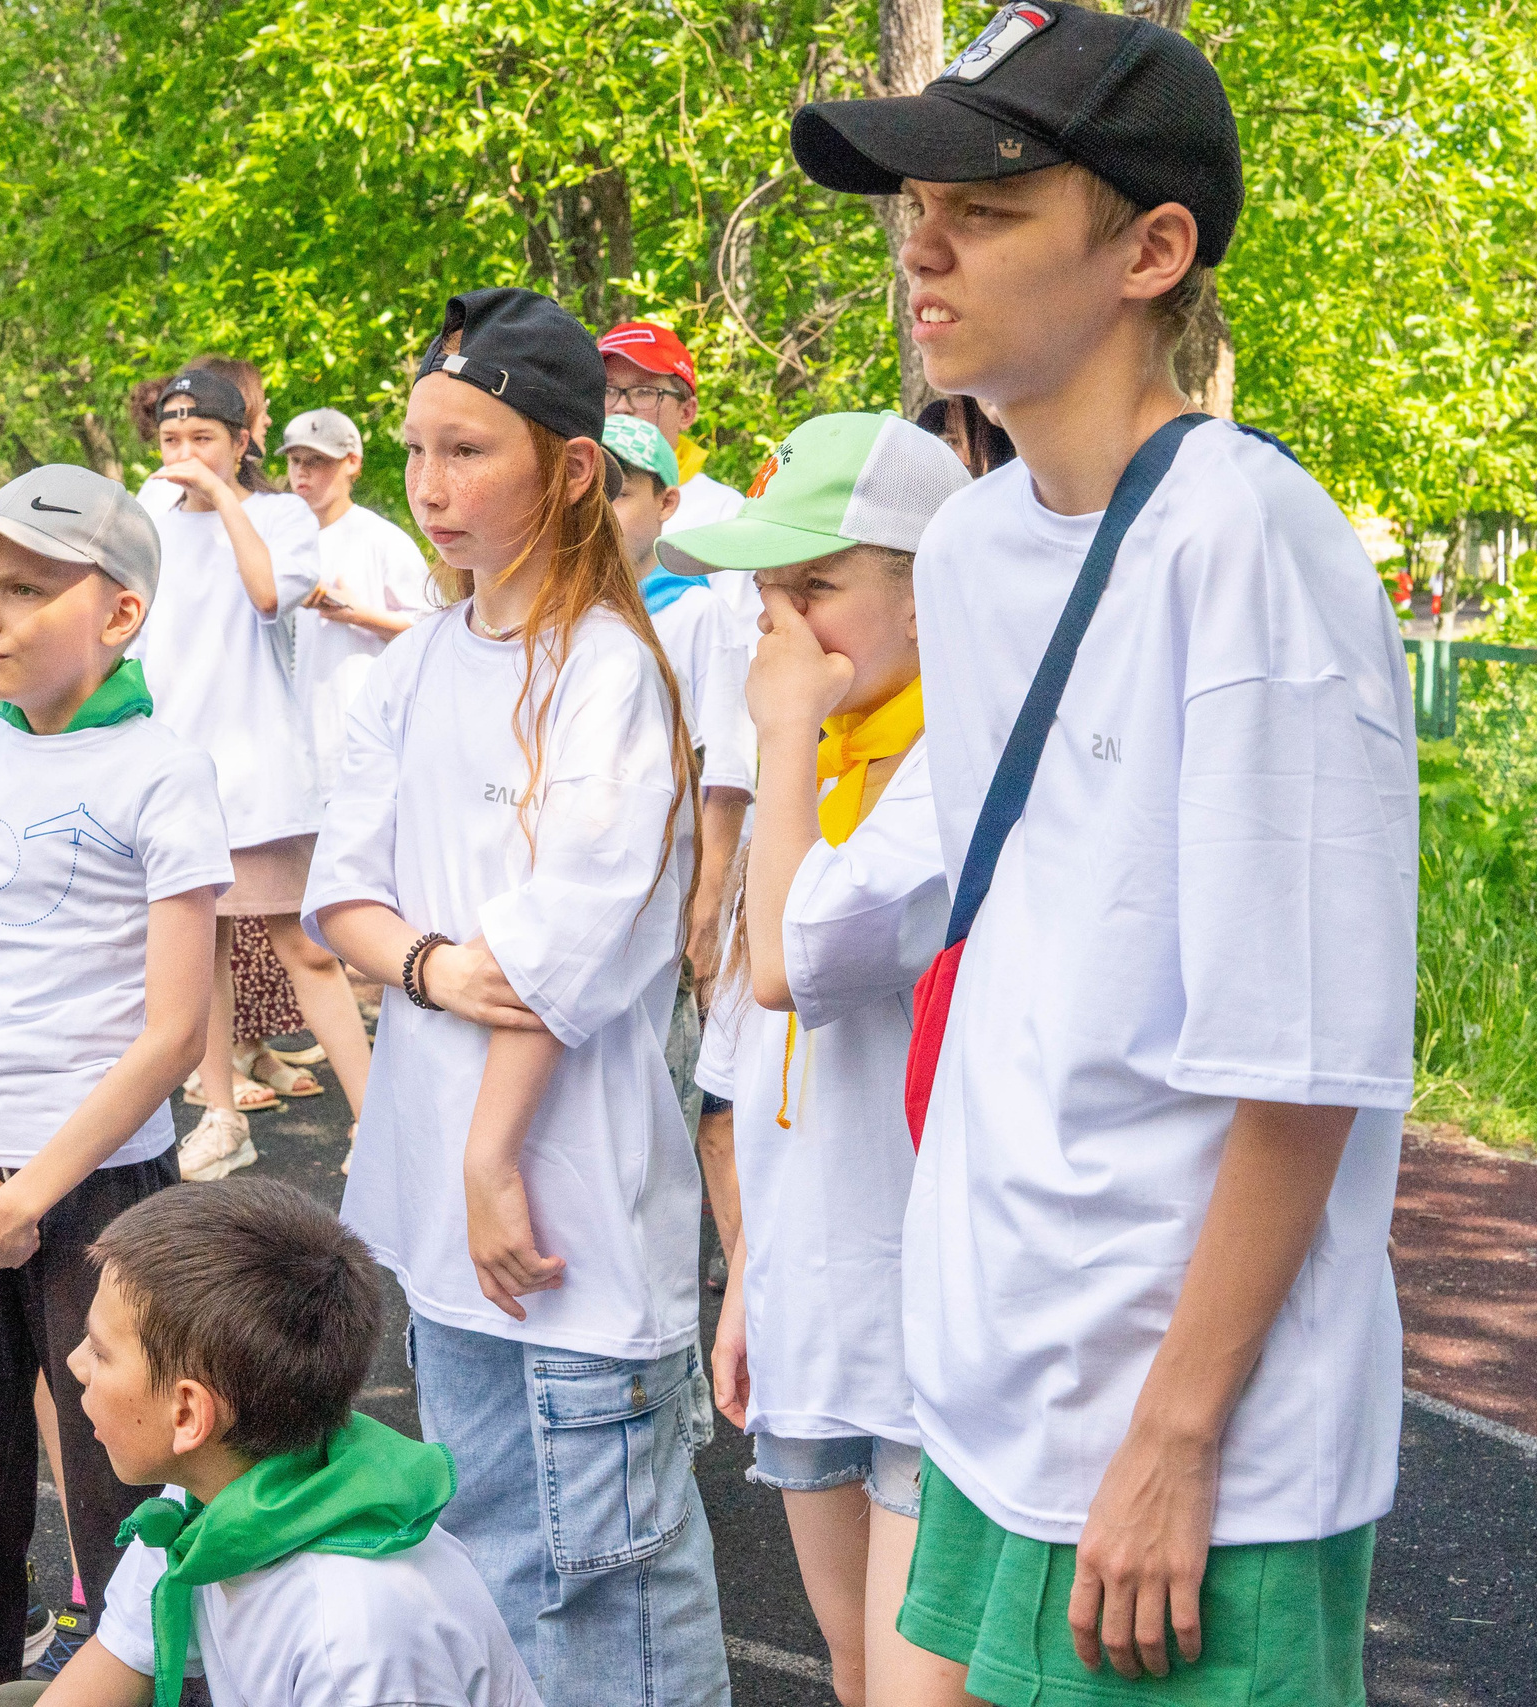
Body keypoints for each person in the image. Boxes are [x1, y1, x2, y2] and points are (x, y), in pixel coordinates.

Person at [791, 7, 1418, 1703]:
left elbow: (1302, 1057)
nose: (924, 242)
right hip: (1007, 1384)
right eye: (919, 206)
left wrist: (1178, 1432)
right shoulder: (984, 545)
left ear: (1152, 249)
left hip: (1187, 1435)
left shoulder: (1250, 549)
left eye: (987, 207)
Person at [307, 287, 730, 1707]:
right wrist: (433, 962)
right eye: (416, 449)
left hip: (565, 1222)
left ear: (565, 466)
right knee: (491, 1566)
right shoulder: (414, 663)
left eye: (467, 450)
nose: (431, 486)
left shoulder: (613, 675)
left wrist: (494, 1155)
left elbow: (566, 944)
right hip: (442, 1220)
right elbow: (345, 896)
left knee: (605, 1593)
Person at [0, 462, 227, 1707]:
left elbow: (172, 1035)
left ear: (118, 613)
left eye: (24, 590)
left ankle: (139, 1678)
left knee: (125, 1466)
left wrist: (34, 1196)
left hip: (106, 1190)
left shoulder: (163, 773)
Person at [666, 411, 972, 1707]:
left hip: (929, 1323)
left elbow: (798, 958)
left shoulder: (952, 766)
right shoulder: (824, 766)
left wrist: (782, 734)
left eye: (818, 585)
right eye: (768, 589)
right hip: (817, 1301)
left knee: (925, 1687)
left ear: (928, 589)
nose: (781, 625)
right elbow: (744, 1065)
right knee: (853, 1667)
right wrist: (748, 1278)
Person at [0, 1178, 542, 1707]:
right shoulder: (207, 1494)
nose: (73, 1364)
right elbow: (114, 1665)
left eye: (100, 1351)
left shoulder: (355, 1632)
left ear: (189, 1412)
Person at [130, 369, 371, 1181]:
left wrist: (222, 496)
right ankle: (222, 1115)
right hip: (172, 775)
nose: (185, 455)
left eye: (204, 439)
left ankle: (374, 1119)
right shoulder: (145, 520)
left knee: (302, 947)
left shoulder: (277, 514)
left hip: (260, 777)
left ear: (241, 442)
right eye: (171, 441)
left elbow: (269, 595)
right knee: (199, 956)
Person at [600, 413, 752, 1123]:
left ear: (667, 504)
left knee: (665, 1102)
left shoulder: (696, 614)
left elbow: (727, 766)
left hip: (667, 903)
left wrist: (707, 902)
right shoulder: (573, 615)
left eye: (620, 491)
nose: (599, 510)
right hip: (597, 908)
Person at [280, 407, 432, 801]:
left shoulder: (381, 539)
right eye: (296, 460)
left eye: (317, 461)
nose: (302, 473)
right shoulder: (279, 543)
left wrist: (355, 613)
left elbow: (434, 634)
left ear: (352, 463)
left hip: (362, 752)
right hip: (293, 754)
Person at [596, 320, 755, 638]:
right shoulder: (566, 496)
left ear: (687, 412)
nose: (622, 407)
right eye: (608, 390)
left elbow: (743, 643)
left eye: (644, 392)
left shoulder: (727, 514)